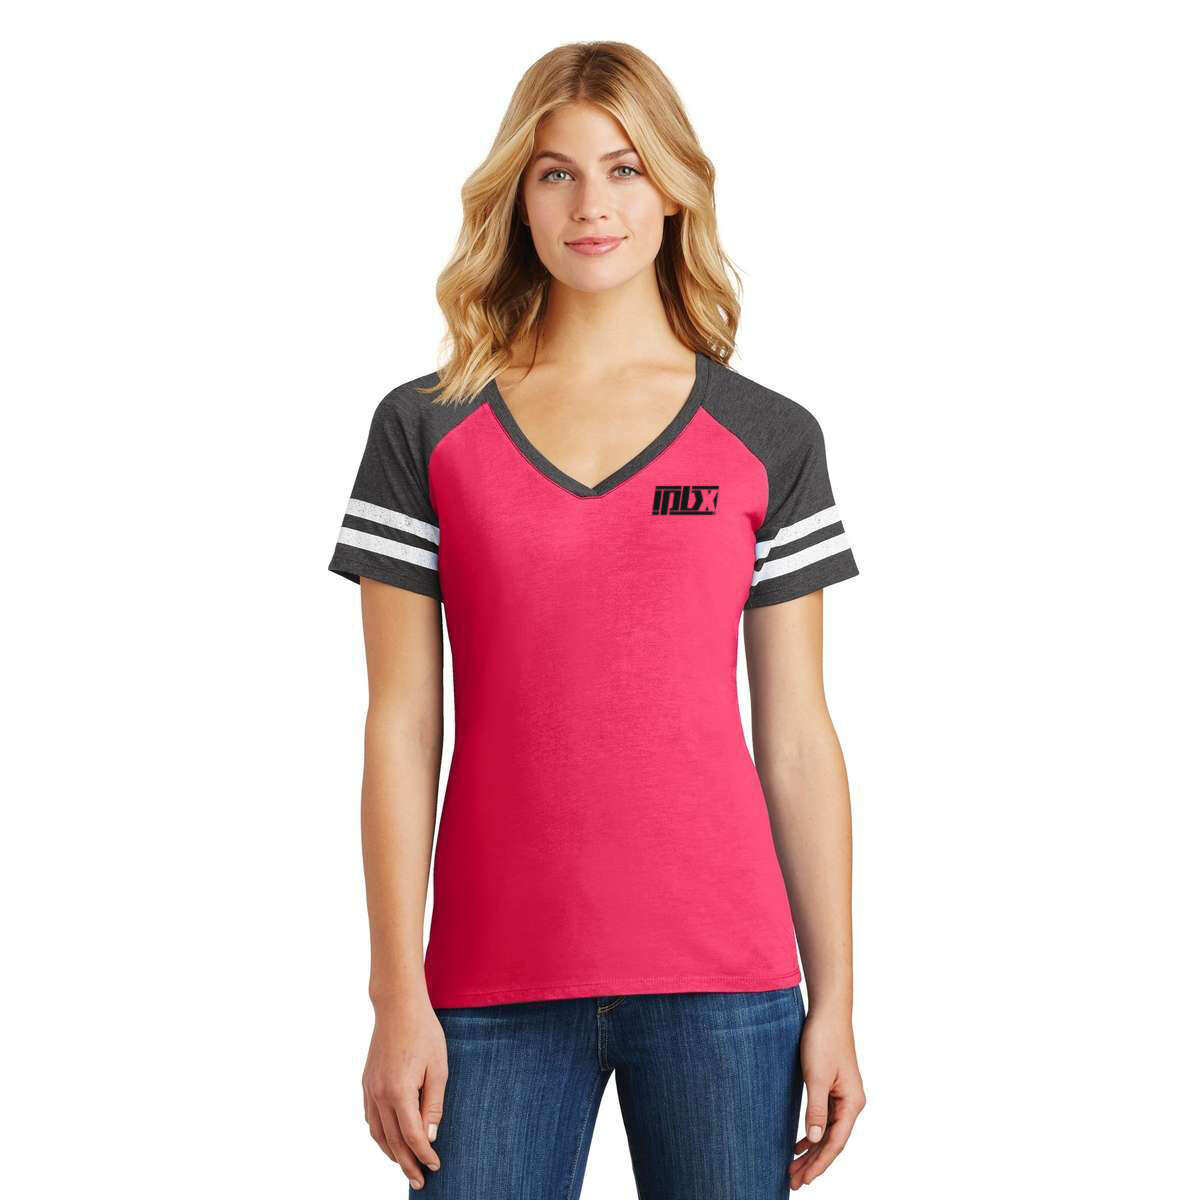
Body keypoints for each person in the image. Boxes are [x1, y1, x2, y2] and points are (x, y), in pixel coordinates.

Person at [327, 40, 866, 1199]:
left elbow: (796, 737)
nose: (592, 205)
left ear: (673, 189)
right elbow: (401, 727)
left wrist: (838, 1002)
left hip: (726, 988)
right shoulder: (425, 430)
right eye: (556, 173)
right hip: (484, 990)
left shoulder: (771, 439)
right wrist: (394, 993)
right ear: (516, 198)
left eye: (624, 168)